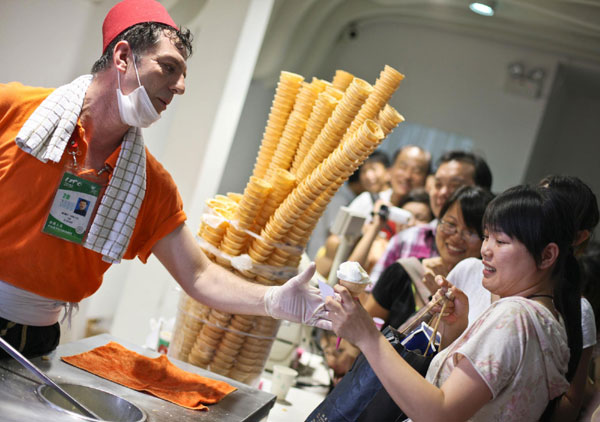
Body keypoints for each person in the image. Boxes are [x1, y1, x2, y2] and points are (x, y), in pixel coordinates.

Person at [0, 0, 329, 359]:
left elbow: (200, 276)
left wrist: (274, 299)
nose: (181, 87)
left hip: (35, 339)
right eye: (169, 68)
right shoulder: (15, 110)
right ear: (123, 57)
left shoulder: (148, 184)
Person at [327, 185, 581, 421]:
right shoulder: (550, 320)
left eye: (501, 241)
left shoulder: (514, 316)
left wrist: (369, 338)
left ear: (547, 255)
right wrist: (457, 334)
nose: (485, 250)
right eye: (485, 237)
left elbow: (441, 413)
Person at [445, 174, 599, 420]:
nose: (487, 248)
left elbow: (439, 410)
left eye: (554, 210)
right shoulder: (473, 271)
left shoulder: (525, 313)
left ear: (577, 238)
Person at [364, 186, 493, 329]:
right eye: (450, 224)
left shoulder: (486, 293)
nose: (457, 237)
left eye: (470, 231)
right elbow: (362, 330)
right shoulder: (403, 272)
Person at [369, 150, 493, 284]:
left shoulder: (491, 257)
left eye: (456, 187)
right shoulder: (407, 239)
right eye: (438, 184)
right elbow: (371, 297)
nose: (443, 193)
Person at [316, 146, 430, 278]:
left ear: (426, 178)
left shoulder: (423, 216)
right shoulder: (368, 201)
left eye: (417, 171)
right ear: (390, 171)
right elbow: (334, 241)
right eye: (403, 167)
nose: (407, 176)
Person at [307, 150, 389, 260]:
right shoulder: (363, 198)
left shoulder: (382, 199)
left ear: (389, 172)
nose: (369, 176)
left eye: (373, 169)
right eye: (364, 171)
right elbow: (337, 233)